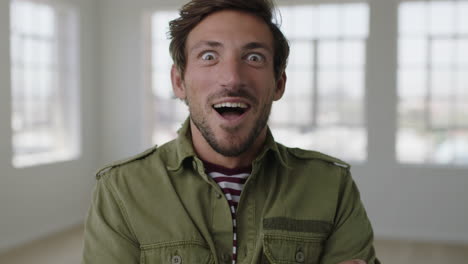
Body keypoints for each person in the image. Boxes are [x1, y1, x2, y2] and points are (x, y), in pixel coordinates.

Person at [82, 0, 380, 263]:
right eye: (209, 56)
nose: (232, 78)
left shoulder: (332, 185)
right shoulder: (120, 190)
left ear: (278, 83)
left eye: (254, 58)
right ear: (179, 82)